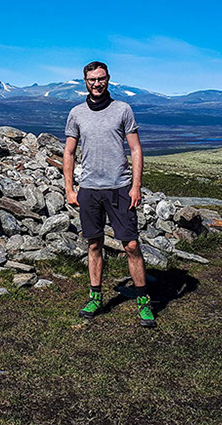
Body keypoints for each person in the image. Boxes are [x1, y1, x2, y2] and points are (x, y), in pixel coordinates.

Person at [63, 61, 156, 327]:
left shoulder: (123, 109)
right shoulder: (76, 113)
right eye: (92, 80)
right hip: (90, 189)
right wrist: (69, 188)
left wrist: (136, 186)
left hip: (119, 188)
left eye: (101, 78)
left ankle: (143, 301)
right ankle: (95, 296)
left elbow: (135, 149)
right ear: (85, 82)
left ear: (108, 79)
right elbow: (69, 152)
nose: (97, 84)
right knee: (94, 244)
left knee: (131, 245)